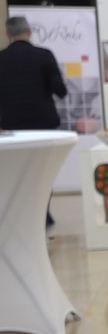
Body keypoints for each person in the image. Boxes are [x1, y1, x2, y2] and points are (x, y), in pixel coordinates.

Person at [0, 15, 69, 227]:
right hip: (43, 125)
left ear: (7, 34)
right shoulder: (44, 55)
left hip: (11, 126)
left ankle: (19, 218)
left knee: (15, 172)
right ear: (29, 32)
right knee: (42, 172)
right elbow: (60, 91)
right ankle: (42, 215)